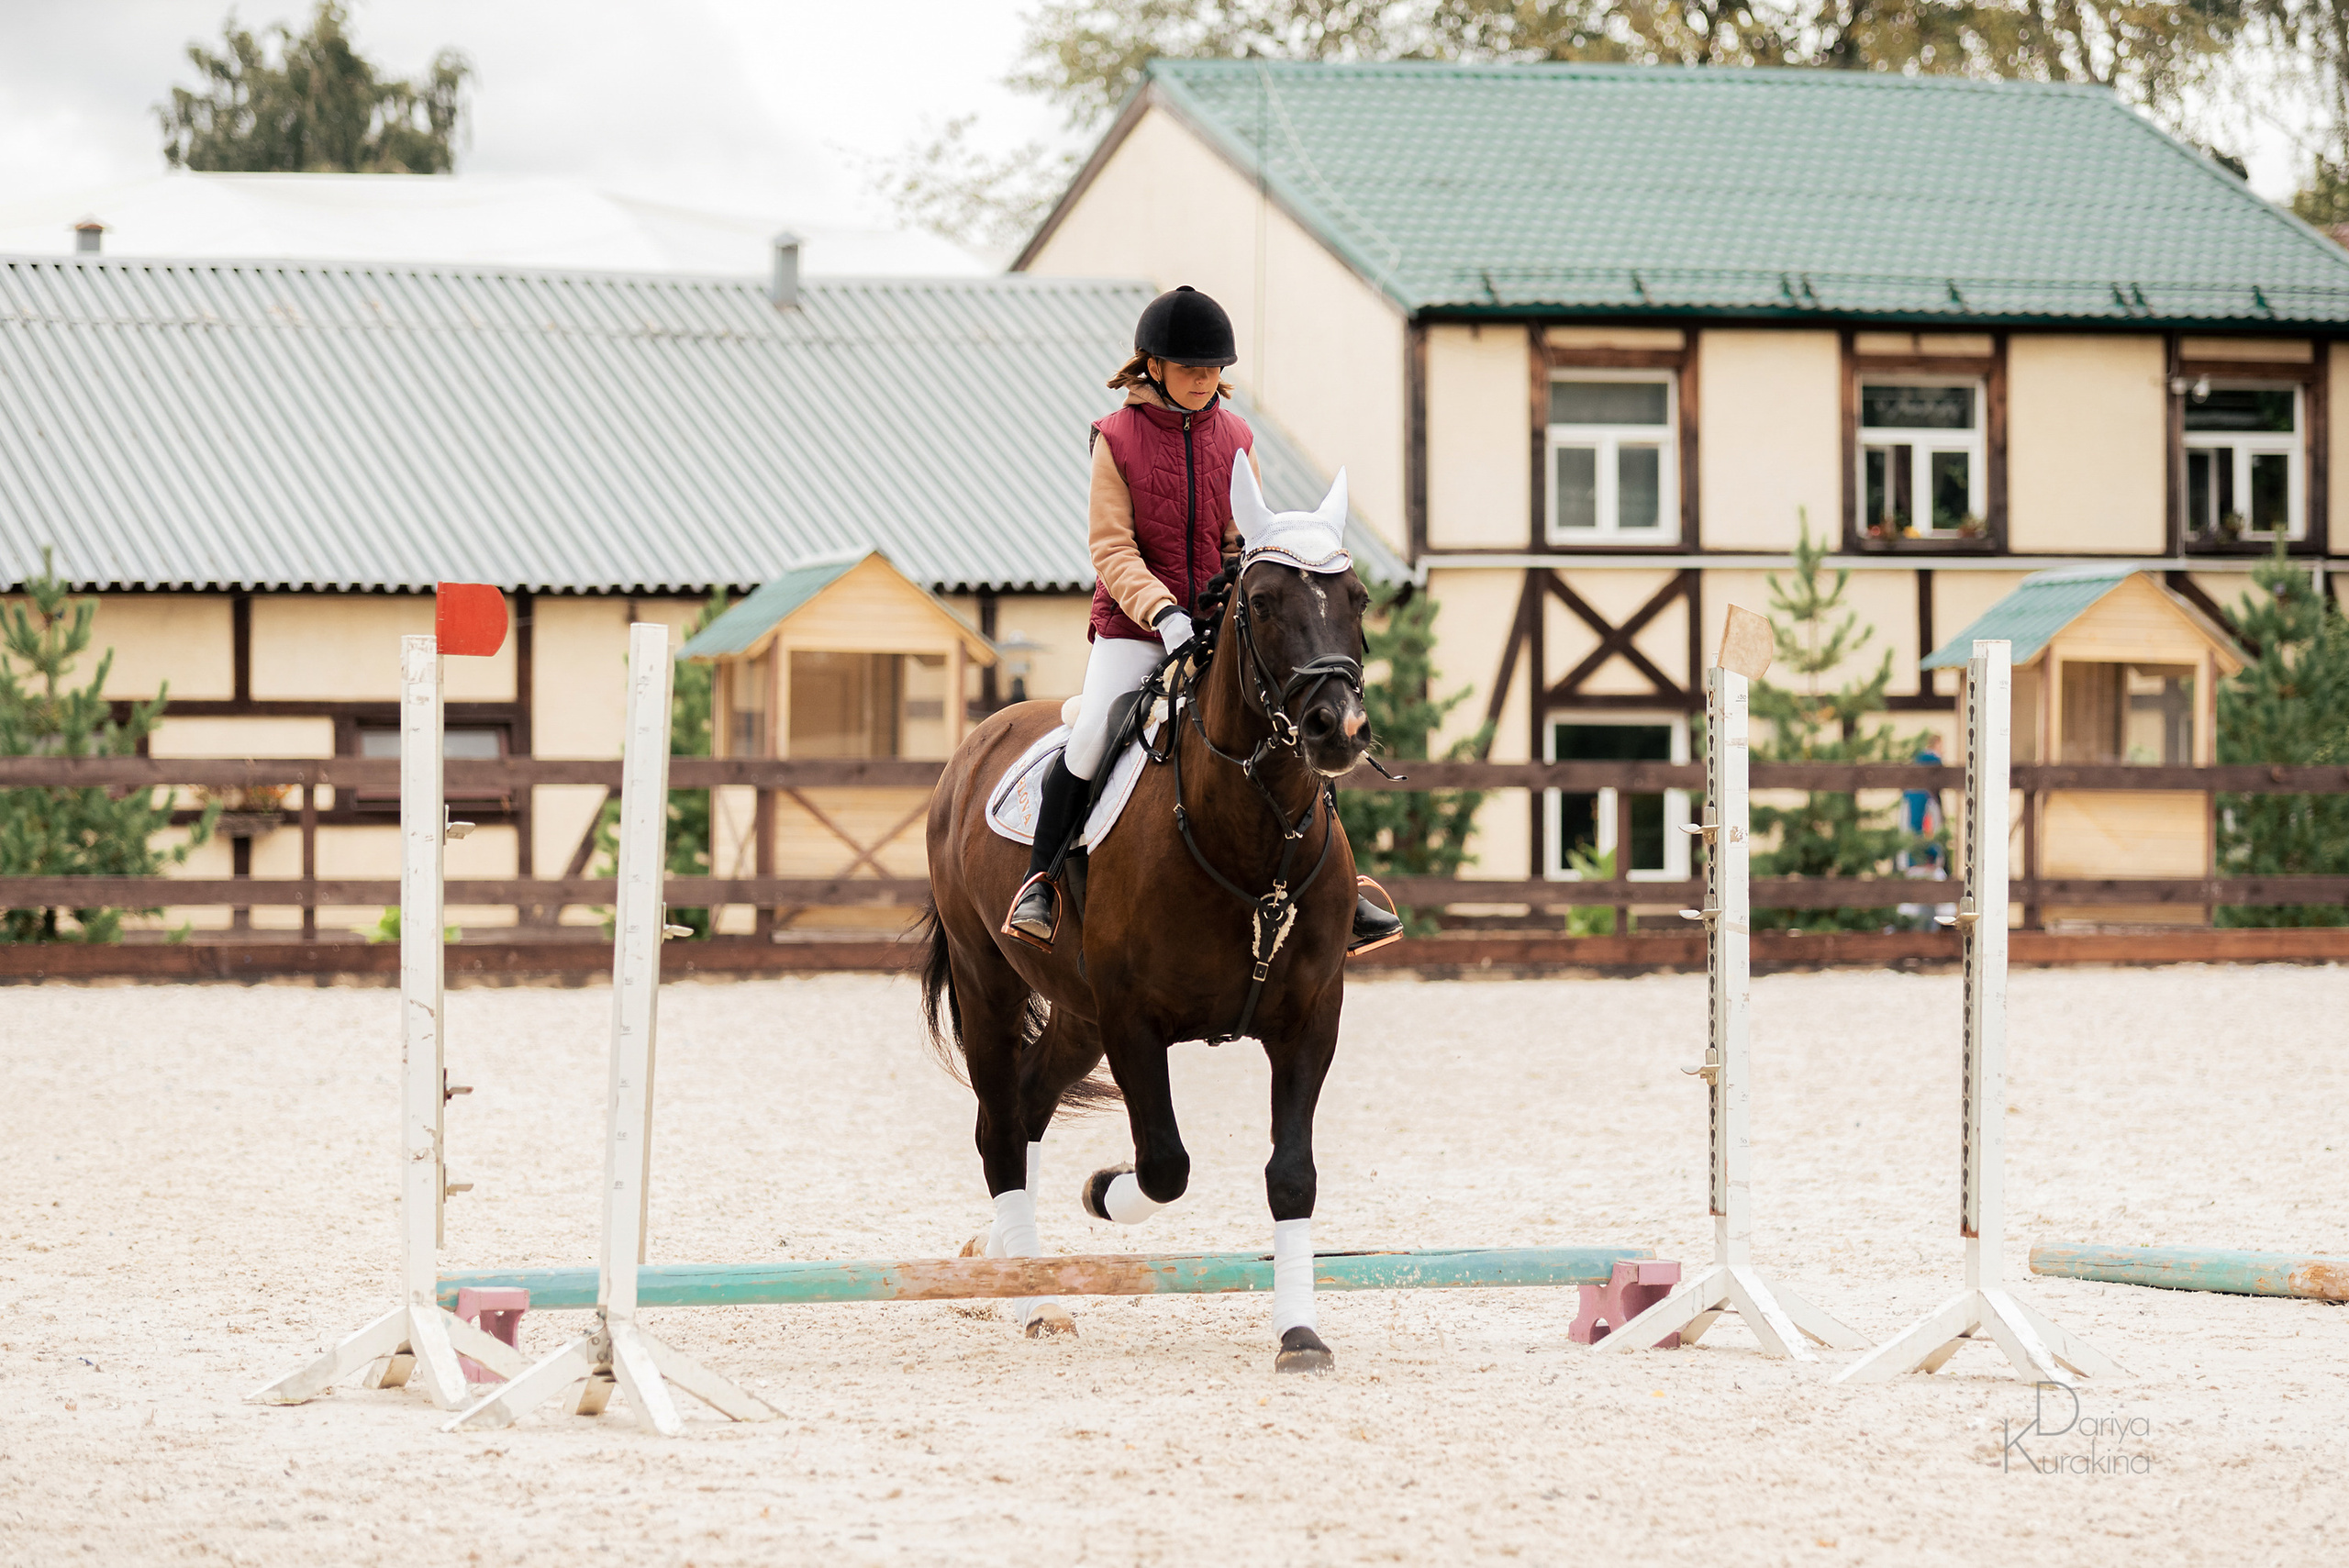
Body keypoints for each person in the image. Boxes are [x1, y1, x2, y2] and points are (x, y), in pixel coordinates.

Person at [1002, 284, 1404, 956]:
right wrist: (1161, 611)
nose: (1204, 380)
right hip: (1134, 627)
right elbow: (1111, 546)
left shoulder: (1235, 436)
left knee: (1292, 722)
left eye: (1214, 369)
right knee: (1095, 728)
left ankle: (1339, 886)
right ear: (1152, 366)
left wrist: (1232, 596)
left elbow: (1233, 536)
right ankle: (1041, 881)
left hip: (1216, 623)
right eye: (1191, 368)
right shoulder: (1115, 437)